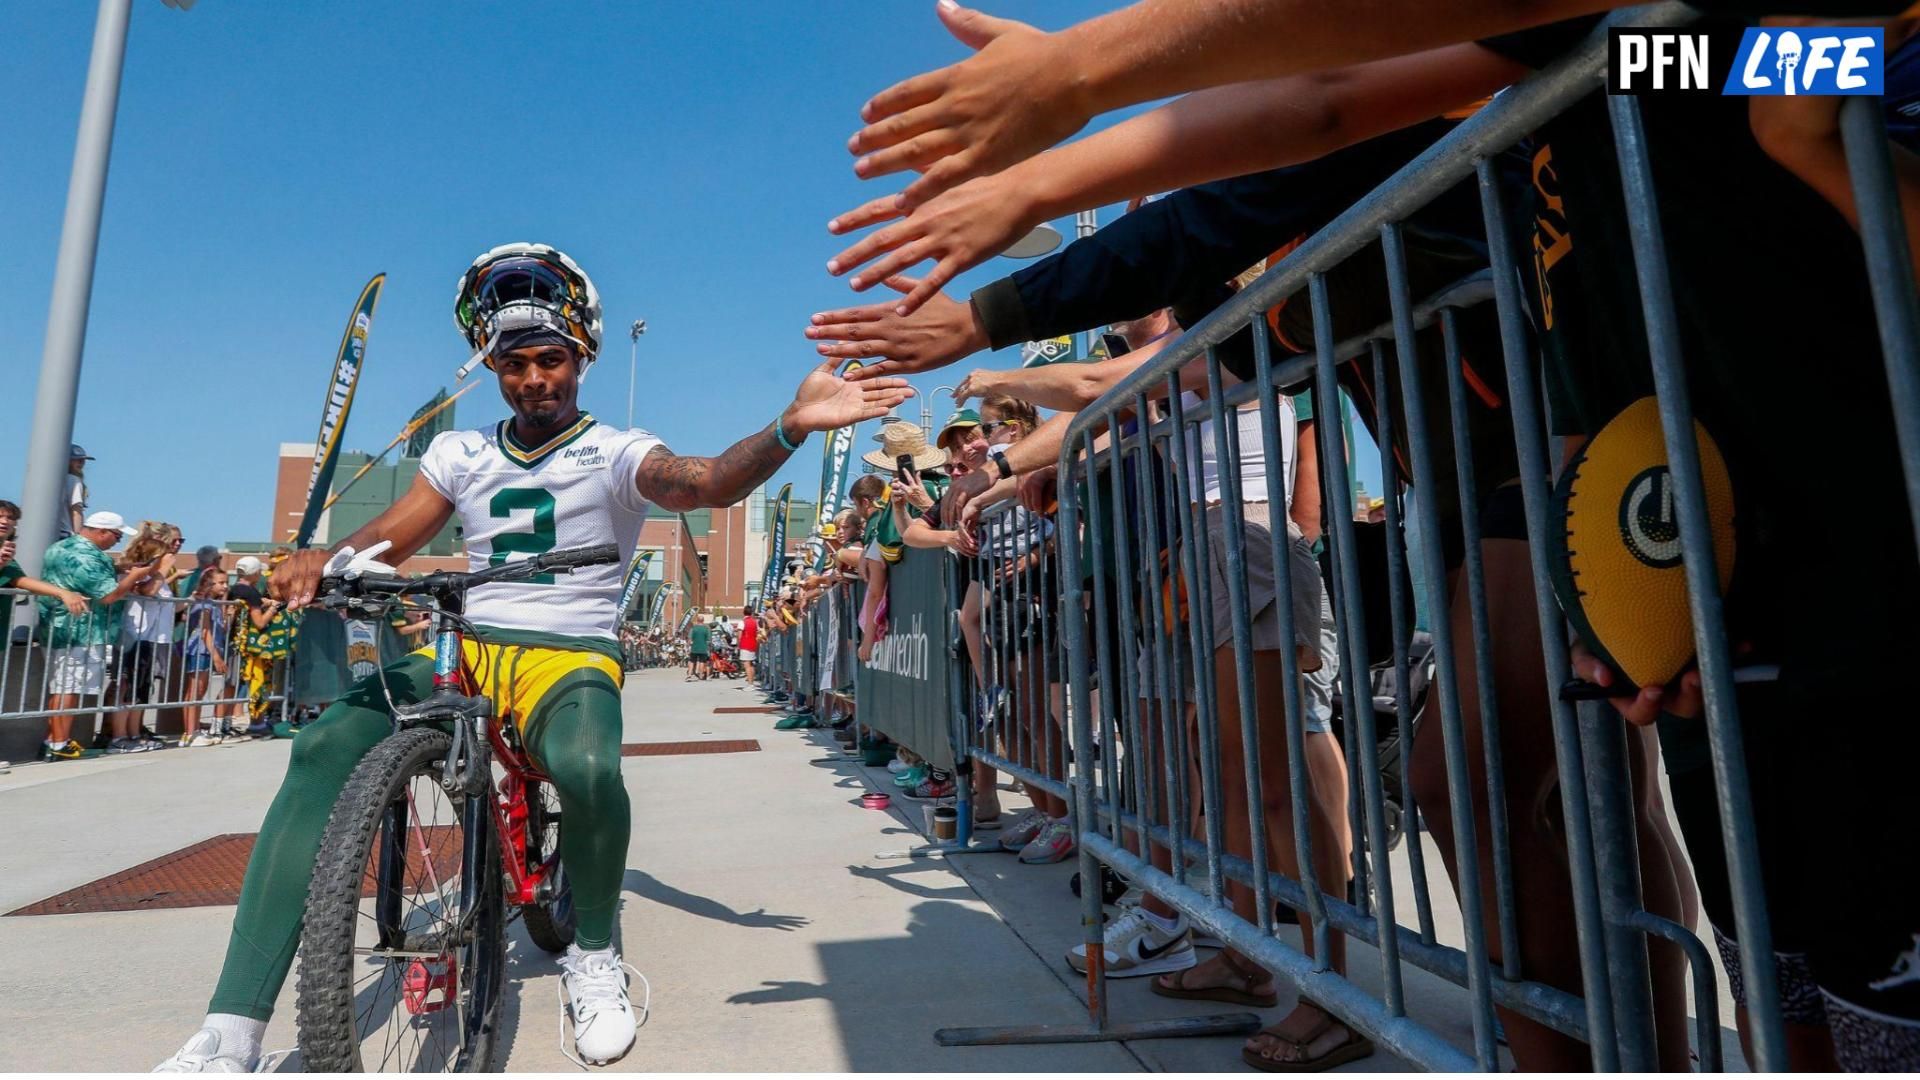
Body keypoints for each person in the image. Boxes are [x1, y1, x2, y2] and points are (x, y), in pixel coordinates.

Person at [156, 242, 909, 1072]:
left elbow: (703, 483)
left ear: (580, 357)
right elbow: (389, 537)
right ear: (494, 367)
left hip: (566, 654)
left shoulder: (617, 449)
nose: (533, 379)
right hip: (472, 645)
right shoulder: (461, 453)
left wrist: (789, 426)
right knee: (324, 745)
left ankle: (593, 955)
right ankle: (231, 1029)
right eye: (514, 364)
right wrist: (327, 560)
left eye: (550, 359)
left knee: (588, 768)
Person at [37, 510, 151, 760]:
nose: (117, 541)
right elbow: (108, 595)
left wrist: (120, 568)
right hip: (81, 631)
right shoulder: (86, 557)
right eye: (117, 536)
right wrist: (133, 577)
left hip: (60, 627)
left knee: (63, 687)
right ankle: (59, 743)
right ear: (102, 532)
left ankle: (54, 739)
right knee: (69, 688)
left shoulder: (61, 547)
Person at [0, 501, 89, 650]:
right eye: (0, 516)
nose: (5, 521)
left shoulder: (7, 555)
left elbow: (21, 580)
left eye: (10, 517)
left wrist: (63, 593)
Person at [180, 566, 233, 746]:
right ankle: (190, 732)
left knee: (200, 691)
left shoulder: (216, 604)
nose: (225, 586)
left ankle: (193, 730)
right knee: (195, 691)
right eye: (220, 583)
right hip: (201, 649)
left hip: (208, 649)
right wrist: (217, 656)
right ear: (209, 584)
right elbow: (205, 631)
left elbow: (221, 628)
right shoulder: (204, 603)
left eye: (226, 583)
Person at [62, 444, 93, 539]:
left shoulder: (57, 481)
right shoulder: (74, 480)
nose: (82, 463)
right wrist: (78, 537)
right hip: (65, 534)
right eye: (77, 460)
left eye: (83, 460)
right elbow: (76, 510)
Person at [687, 613, 712, 680]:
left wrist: (688, 646)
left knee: (692, 661)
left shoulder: (693, 628)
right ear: (703, 621)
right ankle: (701, 675)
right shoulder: (706, 629)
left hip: (694, 648)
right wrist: (708, 648)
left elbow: (689, 639)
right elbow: (709, 640)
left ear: (697, 620)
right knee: (702, 661)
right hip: (703, 648)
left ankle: (689, 675)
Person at [738, 605, 759, 683]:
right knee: (751, 664)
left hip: (745, 645)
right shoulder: (754, 622)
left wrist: (738, 645)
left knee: (746, 665)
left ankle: (750, 683)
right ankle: (752, 681)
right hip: (753, 644)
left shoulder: (742, 622)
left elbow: (739, 636)